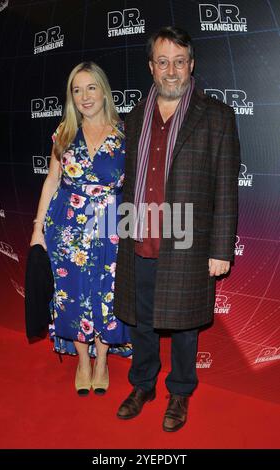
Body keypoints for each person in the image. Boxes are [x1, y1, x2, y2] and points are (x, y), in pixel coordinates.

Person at [114, 26, 240, 431]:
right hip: (139, 233)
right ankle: (142, 384)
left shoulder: (217, 115)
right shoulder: (134, 116)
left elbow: (225, 187)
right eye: (163, 62)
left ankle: (180, 391)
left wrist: (221, 249)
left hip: (188, 236)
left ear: (192, 65)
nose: (172, 71)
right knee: (141, 319)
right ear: (151, 66)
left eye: (179, 62)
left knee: (185, 324)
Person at [30, 61, 131, 397]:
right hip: (66, 227)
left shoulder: (125, 133)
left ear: (104, 90)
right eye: (77, 90)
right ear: (71, 97)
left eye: (91, 87)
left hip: (110, 226)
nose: (84, 96)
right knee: (70, 292)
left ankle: (101, 360)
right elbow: (52, 180)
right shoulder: (63, 133)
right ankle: (82, 360)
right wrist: (37, 229)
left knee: (106, 294)